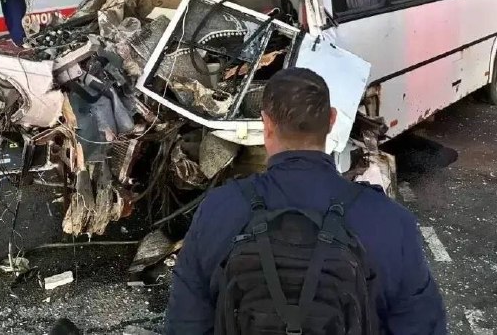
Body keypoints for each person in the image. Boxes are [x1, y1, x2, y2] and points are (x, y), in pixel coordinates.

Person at [166, 68, 447, 334]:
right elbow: (421, 325)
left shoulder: (218, 210)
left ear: (266, 125)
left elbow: (186, 323)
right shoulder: (391, 222)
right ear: (332, 120)